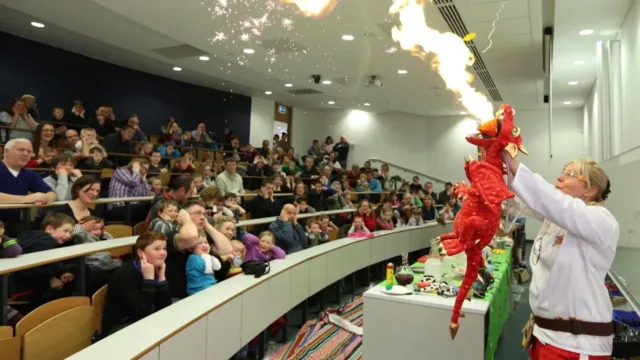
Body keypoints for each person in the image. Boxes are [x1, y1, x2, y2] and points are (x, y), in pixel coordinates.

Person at [502, 155, 618, 360]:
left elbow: (552, 202)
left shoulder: (601, 220)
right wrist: (492, 167)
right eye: (563, 171)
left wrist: (512, 163)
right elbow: (522, 199)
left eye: (570, 174)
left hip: (577, 343)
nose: (560, 177)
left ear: (590, 190)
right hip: (545, 334)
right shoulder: (557, 217)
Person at [103, 231, 171, 335]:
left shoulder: (157, 267)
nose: (163, 253)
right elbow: (140, 313)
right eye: (157, 249)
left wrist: (162, 279)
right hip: (122, 327)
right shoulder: (124, 276)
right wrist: (149, 280)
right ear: (140, 253)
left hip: (146, 319)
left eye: (164, 248)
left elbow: (165, 308)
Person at [14, 212, 76, 309]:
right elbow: (31, 269)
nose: (68, 236)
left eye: (70, 232)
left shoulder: (32, 236)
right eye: (65, 231)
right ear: (50, 229)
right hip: (25, 287)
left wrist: (61, 273)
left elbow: (50, 263)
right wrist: (50, 280)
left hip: (15, 283)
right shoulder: (46, 240)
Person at [0, 139, 56, 236]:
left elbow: (51, 193)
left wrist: (45, 199)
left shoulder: (29, 174)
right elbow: (27, 199)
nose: (26, 154)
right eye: (21, 150)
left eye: (29, 151)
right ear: (6, 151)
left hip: (12, 226)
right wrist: (26, 199)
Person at [186, 230, 222, 295]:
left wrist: (207, 255)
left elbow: (218, 267)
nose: (204, 245)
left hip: (208, 287)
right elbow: (207, 270)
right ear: (191, 247)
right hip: (197, 290)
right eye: (199, 243)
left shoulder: (205, 257)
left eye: (206, 242)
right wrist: (206, 255)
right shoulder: (193, 258)